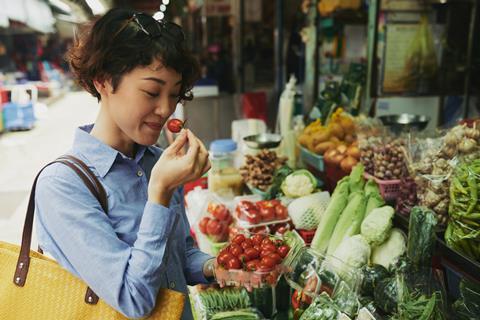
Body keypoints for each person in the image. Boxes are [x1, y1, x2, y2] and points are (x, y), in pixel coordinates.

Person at [34, 8, 214, 319]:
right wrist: (158, 192)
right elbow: (133, 299)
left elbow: (177, 258)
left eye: (174, 95)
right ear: (103, 81)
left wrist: (215, 267)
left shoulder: (157, 162)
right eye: (151, 91)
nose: (165, 109)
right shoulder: (62, 186)